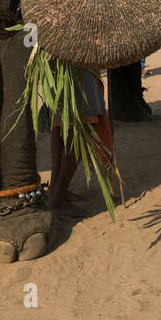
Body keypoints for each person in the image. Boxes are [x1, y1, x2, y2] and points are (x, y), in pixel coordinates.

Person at [48, 67, 115, 214]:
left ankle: (55, 190)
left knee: (60, 126)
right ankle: (58, 198)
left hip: (58, 68)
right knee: (78, 130)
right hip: (77, 69)